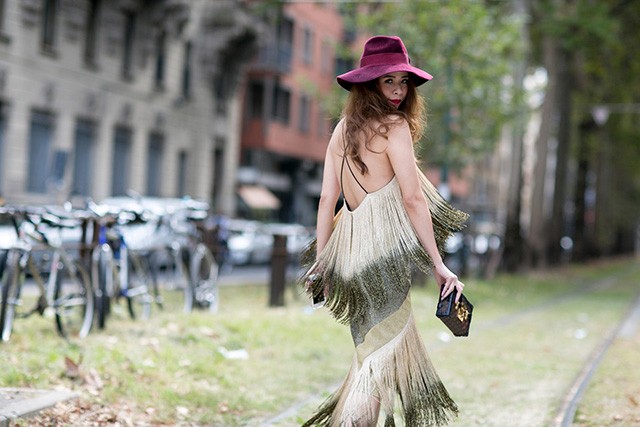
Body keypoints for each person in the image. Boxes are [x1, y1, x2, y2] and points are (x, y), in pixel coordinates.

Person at [301, 35, 469, 426]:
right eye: (388, 80)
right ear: (368, 84)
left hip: (348, 258)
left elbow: (328, 201)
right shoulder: (394, 127)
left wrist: (324, 261)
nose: (397, 90)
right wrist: (438, 264)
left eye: (403, 81)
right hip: (383, 259)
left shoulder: (342, 130)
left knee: (370, 355)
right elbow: (413, 198)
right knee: (378, 361)